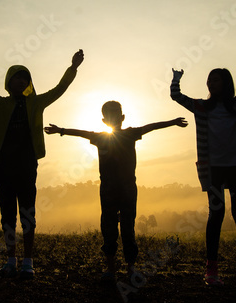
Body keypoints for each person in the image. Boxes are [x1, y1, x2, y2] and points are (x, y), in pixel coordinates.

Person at [0, 39, 83, 279]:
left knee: (27, 213)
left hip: (27, 164)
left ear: (28, 83)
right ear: (8, 83)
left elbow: (59, 89)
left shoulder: (36, 103)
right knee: (7, 213)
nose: (20, 81)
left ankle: (28, 262)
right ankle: (11, 260)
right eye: (16, 77)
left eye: (24, 77)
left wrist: (73, 68)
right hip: (2, 165)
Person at [45, 102, 187, 281]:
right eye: (109, 115)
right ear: (104, 120)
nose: (113, 118)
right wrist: (61, 130)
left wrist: (173, 122)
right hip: (108, 189)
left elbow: (150, 127)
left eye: (115, 115)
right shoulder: (100, 138)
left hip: (127, 188)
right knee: (109, 228)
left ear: (122, 118)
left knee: (128, 228)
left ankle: (131, 268)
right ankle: (111, 268)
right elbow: (81, 133)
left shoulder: (130, 134)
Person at [171, 57, 236, 286]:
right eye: (209, 80)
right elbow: (176, 96)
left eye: (215, 80)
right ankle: (211, 272)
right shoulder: (202, 107)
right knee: (216, 216)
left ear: (226, 83)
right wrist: (176, 79)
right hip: (213, 170)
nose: (211, 84)